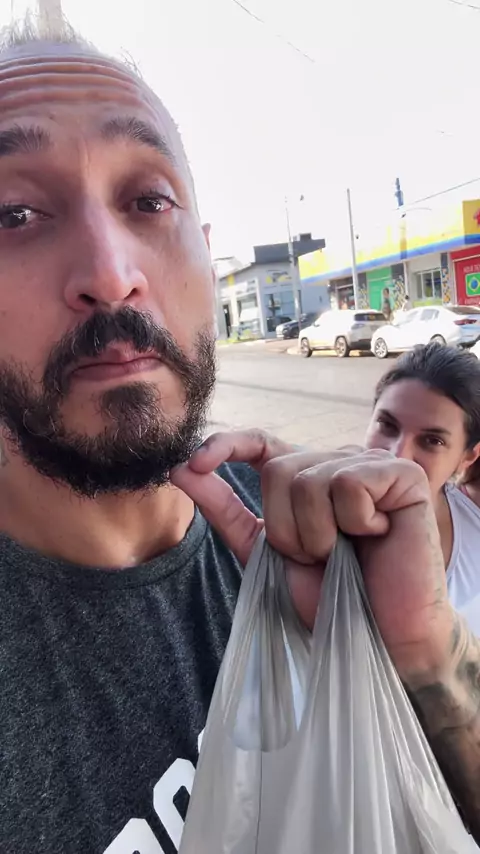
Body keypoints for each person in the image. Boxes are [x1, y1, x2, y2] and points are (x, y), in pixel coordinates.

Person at [0, 18, 478, 852]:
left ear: (207, 254)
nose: (111, 274)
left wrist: (423, 655)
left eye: (149, 202)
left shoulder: (311, 538)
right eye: (15, 213)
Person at [365, 343, 480, 634]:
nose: (398, 456)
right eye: (387, 425)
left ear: (467, 457)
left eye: (432, 441)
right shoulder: (318, 512)